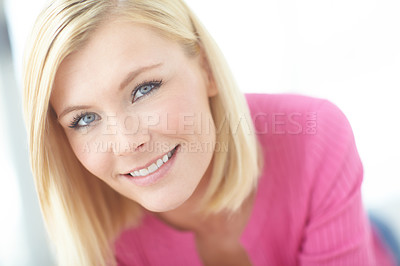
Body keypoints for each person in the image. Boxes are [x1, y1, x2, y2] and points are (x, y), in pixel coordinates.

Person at [22, 0, 398, 265]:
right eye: (84, 119)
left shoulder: (315, 137)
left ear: (204, 66)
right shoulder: (97, 234)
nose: (126, 142)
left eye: (144, 89)